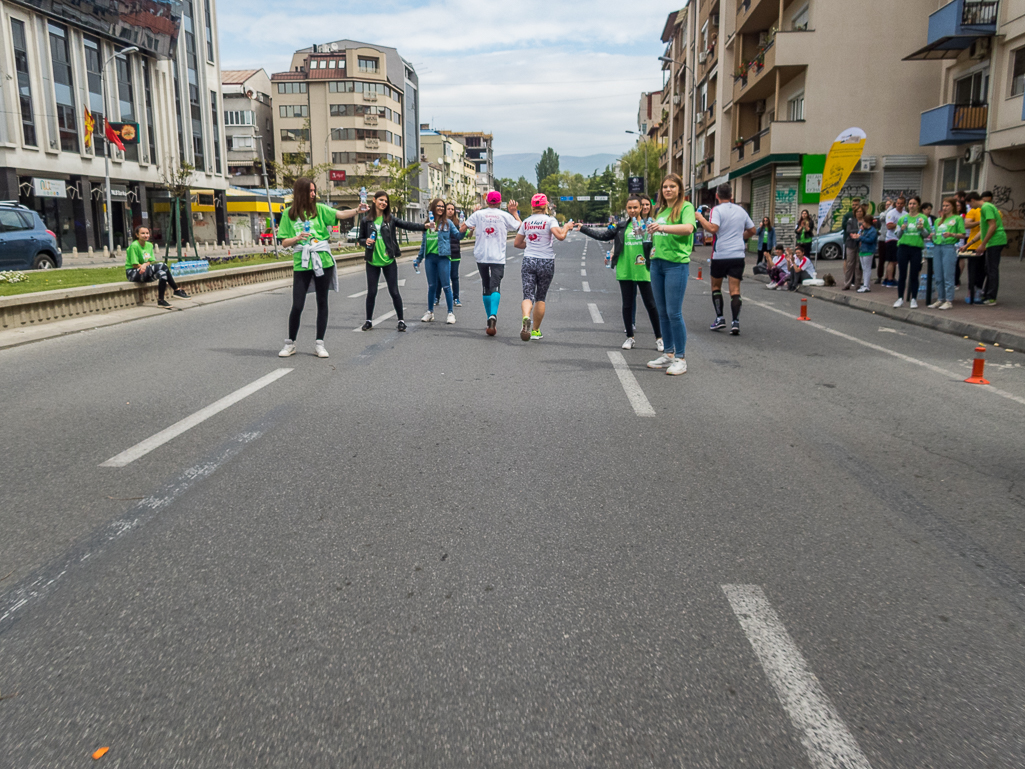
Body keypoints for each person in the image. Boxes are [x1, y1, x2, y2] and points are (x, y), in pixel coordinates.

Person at [276, 177, 364, 358]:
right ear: (301, 193)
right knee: (298, 304)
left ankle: (319, 344)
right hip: (302, 261)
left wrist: (356, 210)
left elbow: (339, 215)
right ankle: (290, 343)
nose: (314, 194)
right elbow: (284, 242)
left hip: (323, 260)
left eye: (314, 191)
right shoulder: (289, 214)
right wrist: (297, 238)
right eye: (310, 191)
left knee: (322, 302)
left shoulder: (320, 210)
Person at [579, 194, 663, 350]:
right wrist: (583, 228)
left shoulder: (649, 225)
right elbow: (603, 236)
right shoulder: (622, 226)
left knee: (650, 304)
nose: (632, 210)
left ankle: (659, 338)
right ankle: (630, 337)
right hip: (625, 269)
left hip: (644, 269)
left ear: (641, 208)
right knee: (627, 305)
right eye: (629, 208)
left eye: (635, 207)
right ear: (627, 209)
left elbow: (656, 243)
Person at [645, 173, 696, 376]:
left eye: (672, 187)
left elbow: (688, 228)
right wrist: (650, 231)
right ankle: (668, 354)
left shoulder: (686, 207)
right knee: (662, 312)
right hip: (657, 263)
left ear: (679, 189)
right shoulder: (661, 210)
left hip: (676, 264)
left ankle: (681, 358)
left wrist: (662, 227)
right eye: (665, 187)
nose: (667, 190)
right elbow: (659, 232)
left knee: (674, 312)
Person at [357, 190, 427, 332]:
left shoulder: (390, 219)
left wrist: (423, 226)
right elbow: (360, 239)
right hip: (372, 262)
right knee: (371, 292)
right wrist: (366, 241)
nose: (383, 203)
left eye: (386, 201)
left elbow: (406, 224)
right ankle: (368, 321)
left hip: (388, 260)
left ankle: (401, 320)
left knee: (394, 291)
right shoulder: (366, 220)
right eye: (381, 200)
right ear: (375, 200)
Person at [695, 183, 756, 336]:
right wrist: (740, 238)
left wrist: (700, 218)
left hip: (721, 254)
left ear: (717, 196)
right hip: (737, 255)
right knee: (735, 290)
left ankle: (720, 318)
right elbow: (753, 230)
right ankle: (735, 322)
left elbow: (713, 228)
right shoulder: (741, 210)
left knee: (716, 287)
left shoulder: (717, 210)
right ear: (732, 196)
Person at [511, 194, 573, 341]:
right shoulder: (550, 220)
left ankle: (526, 317)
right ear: (546, 206)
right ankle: (535, 331)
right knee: (541, 297)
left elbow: (517, 243)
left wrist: (532, 245)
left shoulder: (526, 222)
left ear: (532, 206)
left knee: (527, 295)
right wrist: (566, 227)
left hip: (529, 260)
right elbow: (560, 236)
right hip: (546, 261)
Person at [460, 191, 521, 335]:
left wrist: (466, 229)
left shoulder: (479, 214)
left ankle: (489, 318)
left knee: (486, 286)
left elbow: (463, 228)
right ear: (500, 203)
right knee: (495, 286)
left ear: (486, 202)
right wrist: (514, 213)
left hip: (481, 256)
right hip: (497, 257)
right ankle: (493, 315)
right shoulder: (504, 215)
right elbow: (520, 226)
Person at [414, 198, 463, 324]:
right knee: (431, 286)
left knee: (446, 286)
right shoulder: (427, 224)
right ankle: (430, 312)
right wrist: (419, 259)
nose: (441, 208)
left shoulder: (447, 223)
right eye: (439, 206)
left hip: (443, 258)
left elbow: (458, 236)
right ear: (433, 207)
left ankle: (450, 313)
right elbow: (424, 244)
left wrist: (466, 229)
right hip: (430, 258)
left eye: (443, 206)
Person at [125, 225, 189, 308]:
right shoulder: (134, 245)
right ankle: (176, 290)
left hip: (144, 272)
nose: (146, 235)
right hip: (133, 273)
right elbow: (134, 264)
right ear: (137, 235)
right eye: (143, 233)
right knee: (163, 265)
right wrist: (143, 266)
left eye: (147, 233)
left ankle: (161, 300)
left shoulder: (149, 245)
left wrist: (144, 265)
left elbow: (149, 261)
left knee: (162, 273)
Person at [893, 196, 931, 309]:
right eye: (910, 203)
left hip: (916, 248)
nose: (912, 206)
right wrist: (901, 229)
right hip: (903, 248)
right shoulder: (902, 218)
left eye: (914, 204)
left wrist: (922, 229)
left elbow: (926, 235)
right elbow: (898, 235)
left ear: (918, 205)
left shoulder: (923, 218)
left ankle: (914, 299)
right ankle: (900, 298)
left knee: (914, 274)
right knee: (902, 274)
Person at [972, 190, 1007, 305]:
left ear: (973, 200)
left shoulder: (986, 207)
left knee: (992, 269)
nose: (970, 207)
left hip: (995, 240)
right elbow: (983, 230)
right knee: (988, 268)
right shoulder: (986, 207)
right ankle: (987, 294)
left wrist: (983, 244)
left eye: (969, 204)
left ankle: (991, 297)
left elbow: (993, 226)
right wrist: (969, 244)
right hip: (993, 241)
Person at [928, 197, 964, 310]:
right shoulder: (939, 220)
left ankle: (949, 300)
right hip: (937, 247)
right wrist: (932, 236)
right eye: (943, 206)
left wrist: (952, 235)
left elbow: (962, 234)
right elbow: (934, 232)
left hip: (949, 247)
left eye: (947, 206)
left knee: (948, 274)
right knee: (938, 275)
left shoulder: (957, 219)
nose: (945, 208)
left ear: (952, 206)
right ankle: (940, 298)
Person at [882, 196, 905, 287]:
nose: (899, 205)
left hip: (900, 239)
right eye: (898, 203)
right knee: (892, 261)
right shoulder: (891, 213)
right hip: (892, 239)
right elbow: (889, 226)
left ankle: (886, 279)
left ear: (904, 204)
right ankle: (890, 280)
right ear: (896, 204)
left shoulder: (905, 214)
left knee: (894, 261)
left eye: (901, 203)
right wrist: (900, 225)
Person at [853, 206, 878, 293]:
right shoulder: (865, 230)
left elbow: (870, 240)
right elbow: (858, 237)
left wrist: (861, 237)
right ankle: (864, 285)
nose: (862, 223)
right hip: (862, 250)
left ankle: (867, 286)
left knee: (867, 269)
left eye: (864, 222)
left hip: (868, 251)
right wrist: (860, 232)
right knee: (864, 268)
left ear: (867, 222)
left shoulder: (872, 231)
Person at [842, 201, 865, 290]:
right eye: (858, 211)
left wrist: (860, 233)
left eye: (861, 211)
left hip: (861, 245)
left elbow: (868, 230)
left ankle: (857, 284)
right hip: (851, 244)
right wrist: (859, 230)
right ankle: (847, 284)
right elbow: (848, 230)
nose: (859, 213)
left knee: (858, 265)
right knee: (850, 264)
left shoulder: (865, 221)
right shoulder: (851, 220)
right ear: (855, 213)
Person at [446, 202, 463, 307]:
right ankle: (436, 298)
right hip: (444, 254)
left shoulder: (457, 223)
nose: (450, 211)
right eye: (448, 209)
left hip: (455, 253)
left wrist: (466, 229)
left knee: (454, 277)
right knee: (441, 277)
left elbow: (462, 236)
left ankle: (456, 298)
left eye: (452, 209)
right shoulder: (440, 222)